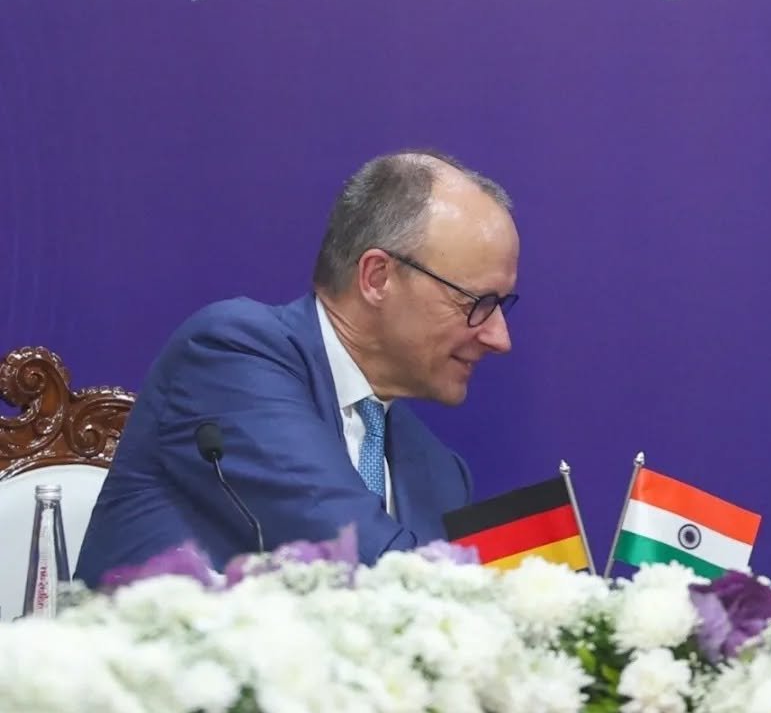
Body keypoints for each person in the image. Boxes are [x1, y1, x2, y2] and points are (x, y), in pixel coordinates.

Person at [76, 149, 517, 584]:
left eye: (502, 305)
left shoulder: (442, 474)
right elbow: (362, 565)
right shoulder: (230, 355)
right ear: (377, 278)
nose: (500, 338)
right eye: (478, 303)